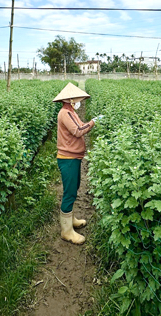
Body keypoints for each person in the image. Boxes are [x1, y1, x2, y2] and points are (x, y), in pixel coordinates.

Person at [52, 83, 102, 245]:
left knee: (73, 188)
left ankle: (71, 219)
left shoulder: (70, 111)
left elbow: (79, 126)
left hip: (72, 157)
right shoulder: (65, 113)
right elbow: (79, 130)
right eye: (76, 98)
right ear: (70, 99)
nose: (79, 101)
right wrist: (93, 122)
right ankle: (66, 231)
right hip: (68, 158)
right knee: (69, 192)